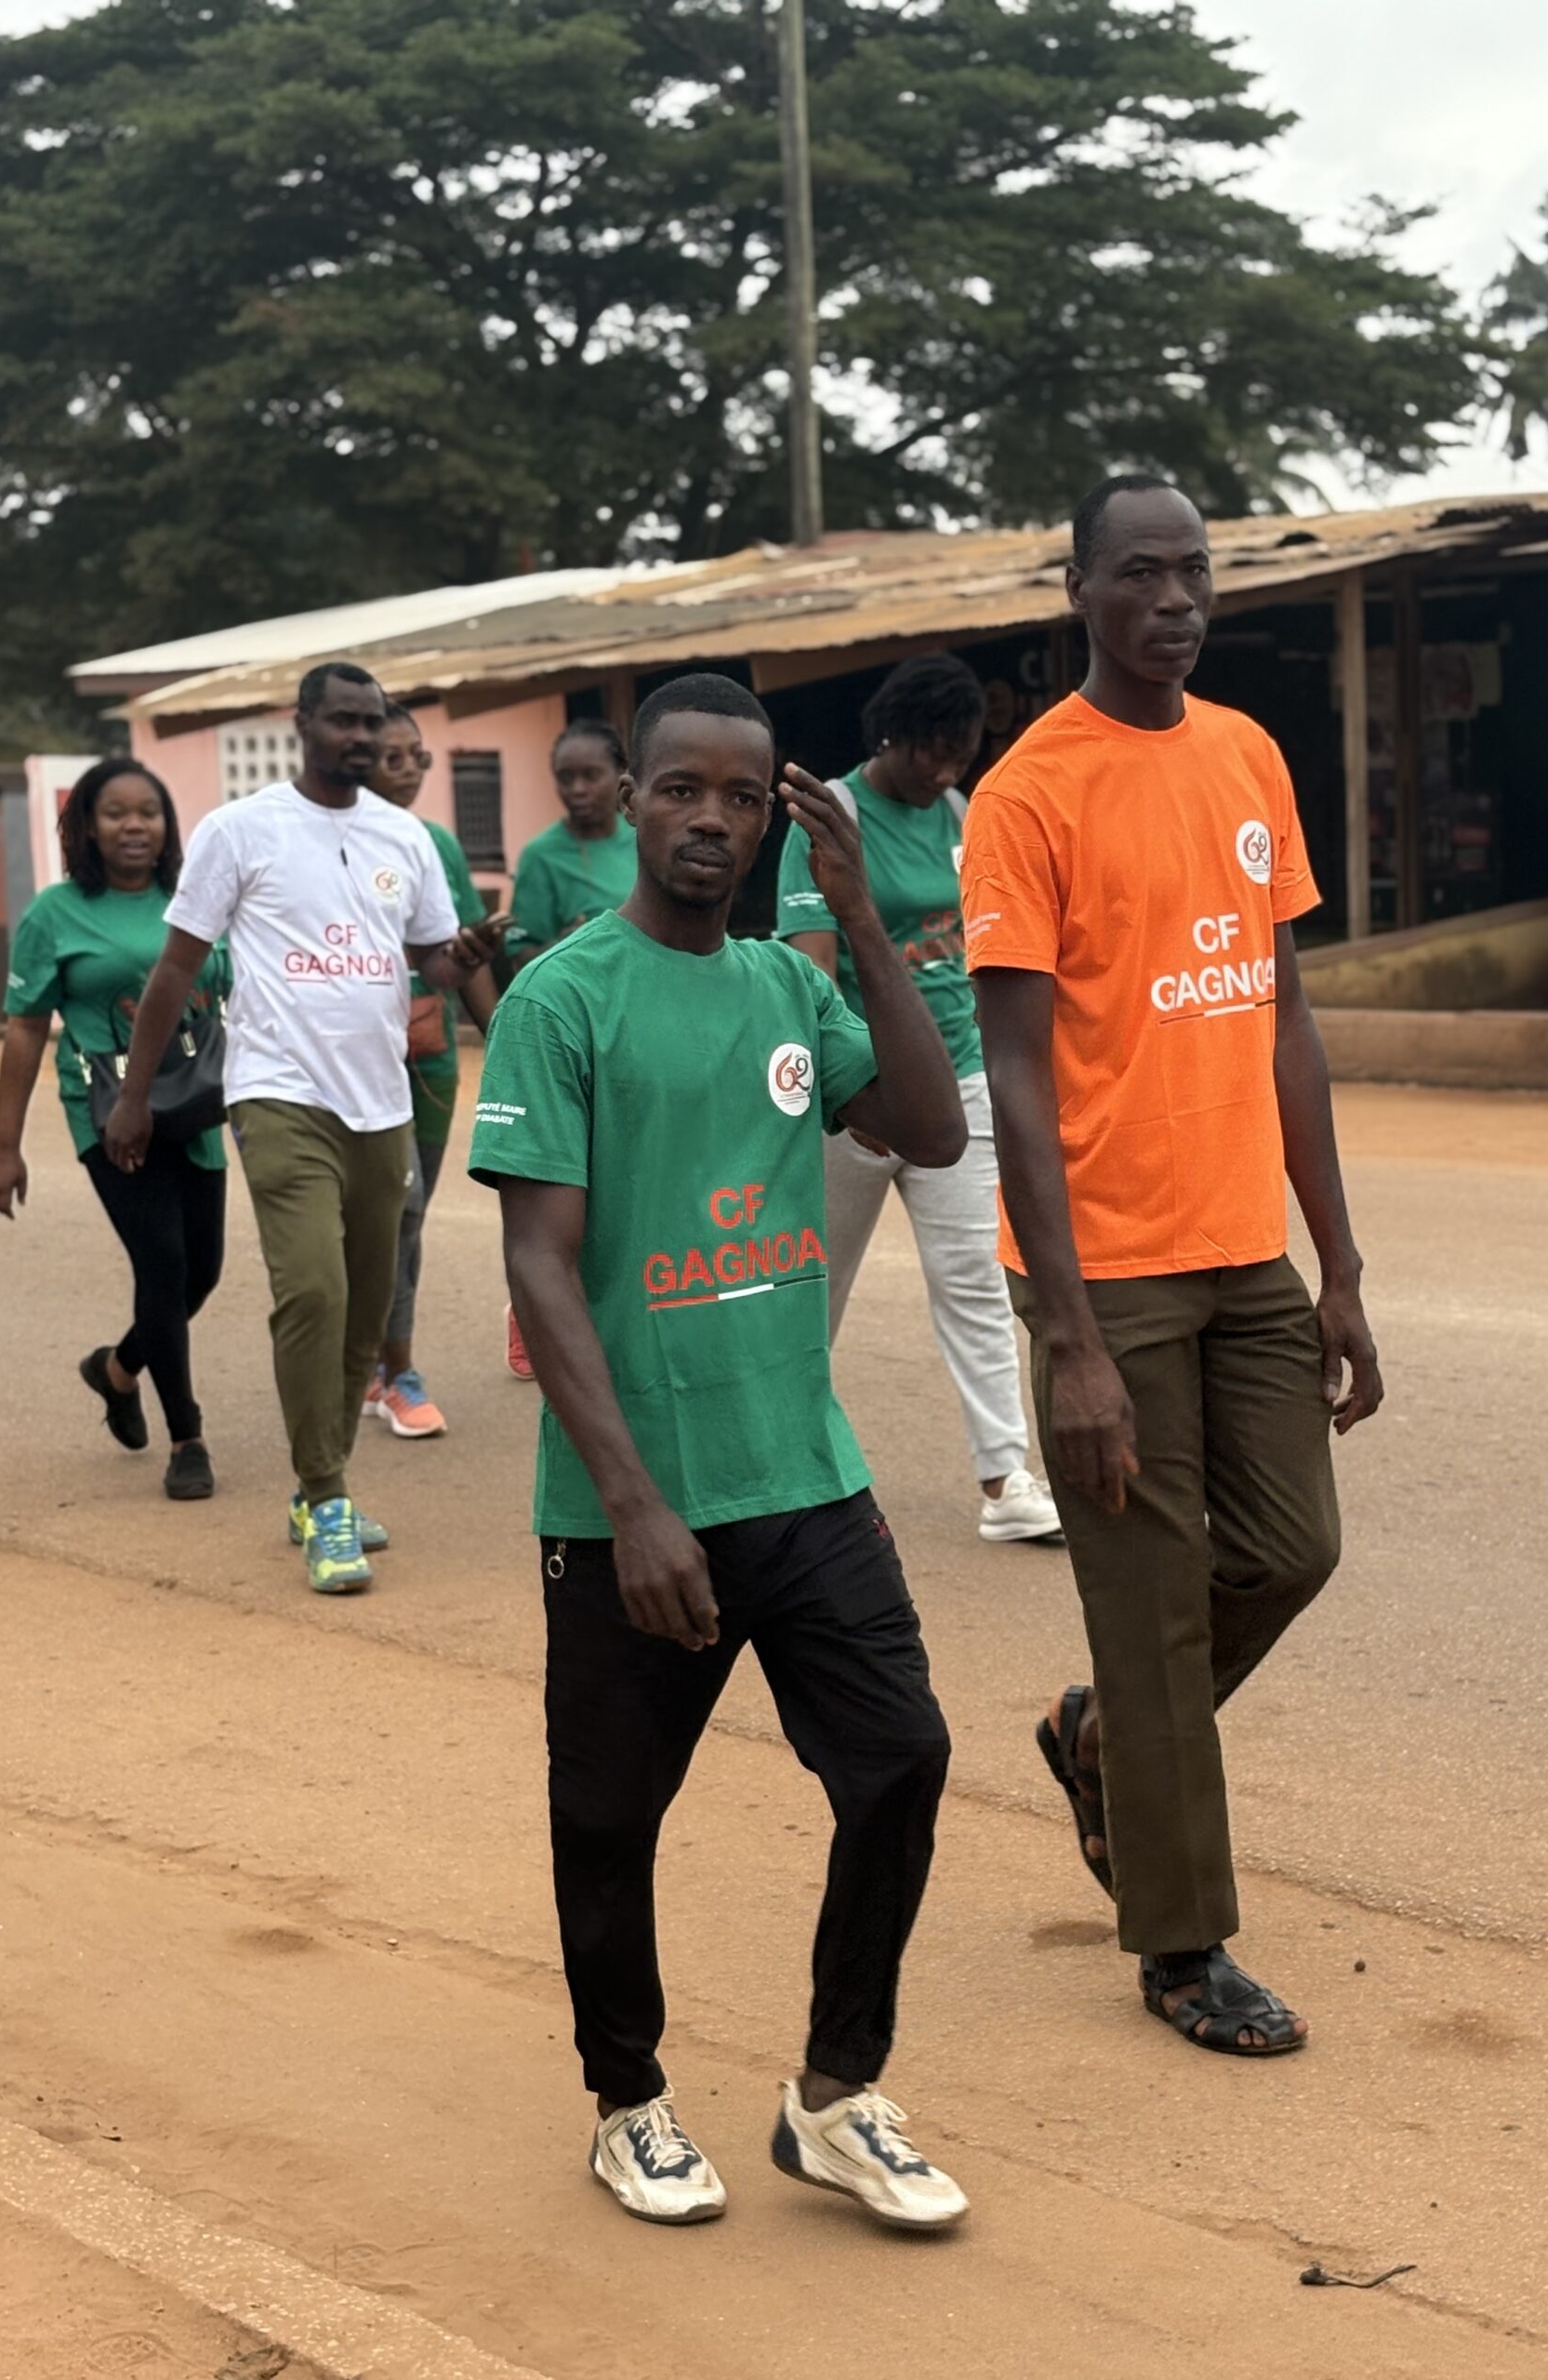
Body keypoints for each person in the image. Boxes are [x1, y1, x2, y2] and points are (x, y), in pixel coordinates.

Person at [470, 671, 969, 2231]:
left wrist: (861, 920)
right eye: (681, 787)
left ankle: (836, 2096)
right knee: (610, 1819)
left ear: (770, 822)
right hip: (632, 1506)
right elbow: (541, 1267)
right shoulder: (563, 1000)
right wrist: (633, 1506)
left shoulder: (785, 989)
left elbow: (933, 1129)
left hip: (804, 1475)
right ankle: (628, 2102)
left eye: (741, 798)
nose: (710, 817)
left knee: (902, 1760)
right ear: (637, 800)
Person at [962, 475, 1384, 2057]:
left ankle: (1102, 1736)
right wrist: (1068, 1337)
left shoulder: (1248, 755)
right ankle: (1183, 1946)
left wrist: (1339, 1266)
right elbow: (1014, 1075)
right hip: (1107, 1272)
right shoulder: (1028, 795)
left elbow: (1284, 1018)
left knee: (1291, 1547)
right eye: (1139, 573)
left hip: (1241, 1245)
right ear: (1077, 589)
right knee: (1150, 1610)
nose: (1174, 599)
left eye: (1194, 572)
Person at [104, 663, 510, 1594]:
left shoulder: (405, 838)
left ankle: (314, 1483)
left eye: (373, 723)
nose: (360, 737)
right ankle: (327, 1497)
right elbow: (175, 968)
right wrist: (135, 1095)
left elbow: (431, 966)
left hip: (382, 1102)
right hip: (278, 1094)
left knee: (367, 1305)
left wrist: (464, 956)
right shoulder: (240, 830)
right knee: (314, 1293)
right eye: (343, 721)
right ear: (302, 724)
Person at [778, 654, 1061, 1547]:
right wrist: (840, 1090)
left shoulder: (963, 815)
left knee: (975, 1278)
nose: (946, 767)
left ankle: (1006, 1479)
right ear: (890, 734)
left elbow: (982, 942)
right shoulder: (834, 814)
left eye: (962, 752)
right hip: (858, 1094)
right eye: (933, 749)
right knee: (811, 1289)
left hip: (959, 1082)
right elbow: (810, 972)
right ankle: (775, 1462)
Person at [0, 758, 231, 1501]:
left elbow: (224, 988)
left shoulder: (193, 898)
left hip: (194, 1101)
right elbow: (26, 1030)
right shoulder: (55, 914)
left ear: (167, 826)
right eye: (116, 813)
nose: (134, 826)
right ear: (87, 827)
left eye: (148, 813)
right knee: (162, 1265)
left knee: (203, 1270)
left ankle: (117, 1370)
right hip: (108, 1111)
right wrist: (6, 1148)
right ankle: (187, 1438)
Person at [360, 706, 497, 1438]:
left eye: (419, 756)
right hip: (354, 1062)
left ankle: (377, 1365)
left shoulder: (434, 843)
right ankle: (394, 1370)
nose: (410, 769)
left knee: (406, 1220)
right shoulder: (330, 843)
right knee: (394, 1212)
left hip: (431, 1060)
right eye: (393, 757)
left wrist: (504, 1037)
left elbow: (460, 953)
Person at [501, 719, 638, 1382]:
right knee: (564, 1190)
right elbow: (520, 951)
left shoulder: (645, 838)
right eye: (565, 778)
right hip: (572, 1035)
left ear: (623, 778)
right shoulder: (542, 856)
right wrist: (575, 946)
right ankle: (532, 1310)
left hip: (641, 1031)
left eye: (590, 776)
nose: (577, 789)